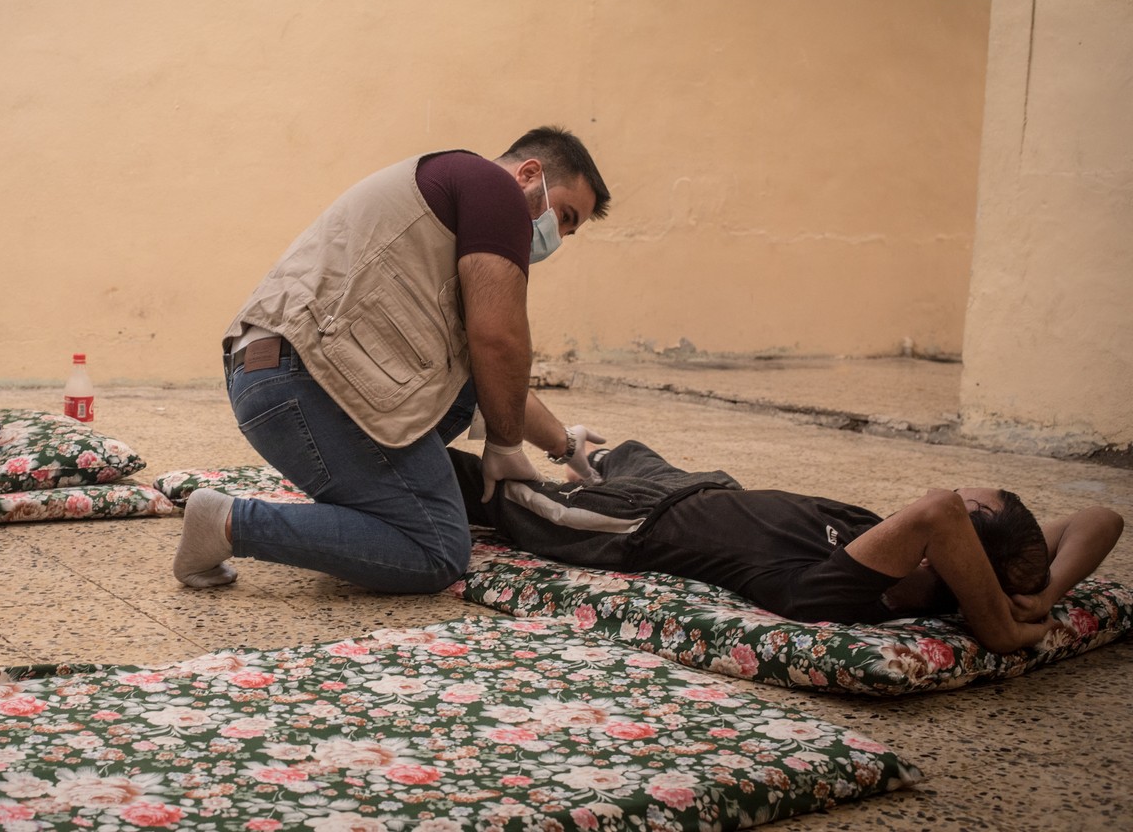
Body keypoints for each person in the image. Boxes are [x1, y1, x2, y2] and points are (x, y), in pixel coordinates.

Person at [173, 127, 612, 592]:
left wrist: (564, 444)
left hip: (273, 375)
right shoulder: (494, 187)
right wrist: (504, 447)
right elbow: (500, 340)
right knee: (437, 549)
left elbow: (494, 373)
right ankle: (227, 524)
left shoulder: (450, 202)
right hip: (307, 383)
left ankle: (364, 513)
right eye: (563, 216)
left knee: (468, 389)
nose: (557, 236)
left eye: (569, 230)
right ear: (529, 174)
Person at [448, 441, 1124, 653]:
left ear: (939, 552)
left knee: (492, 483)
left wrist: (1004, 627)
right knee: (594, 447)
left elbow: (940, 512)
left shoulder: (840, 590)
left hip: (632, 523)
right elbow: (1103, 517)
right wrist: (1039, 596)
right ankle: (580, 447)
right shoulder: (916, 557)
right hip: (695, 483)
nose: (944, 493)